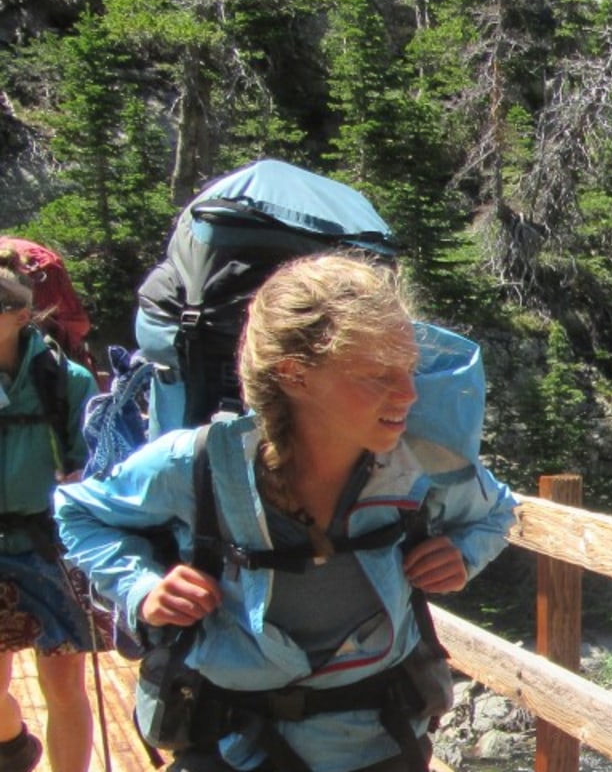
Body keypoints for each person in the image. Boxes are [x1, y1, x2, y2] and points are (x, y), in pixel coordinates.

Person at [58, 253, 518, 772]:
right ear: (294, 375)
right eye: (377, 374)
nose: (409, 394)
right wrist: (142, 588)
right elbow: (79, 513)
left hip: (379, 740)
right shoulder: (202, 462)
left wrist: (462, 555)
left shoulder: (417, 463)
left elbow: (497, 512)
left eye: (409, 368)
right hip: (234, 743)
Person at [0, 246, 103, 772]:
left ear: (21, 315)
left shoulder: (68, 381)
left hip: (50, 549)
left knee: (63, 687)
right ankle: (15, 746)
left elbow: (94, 466)